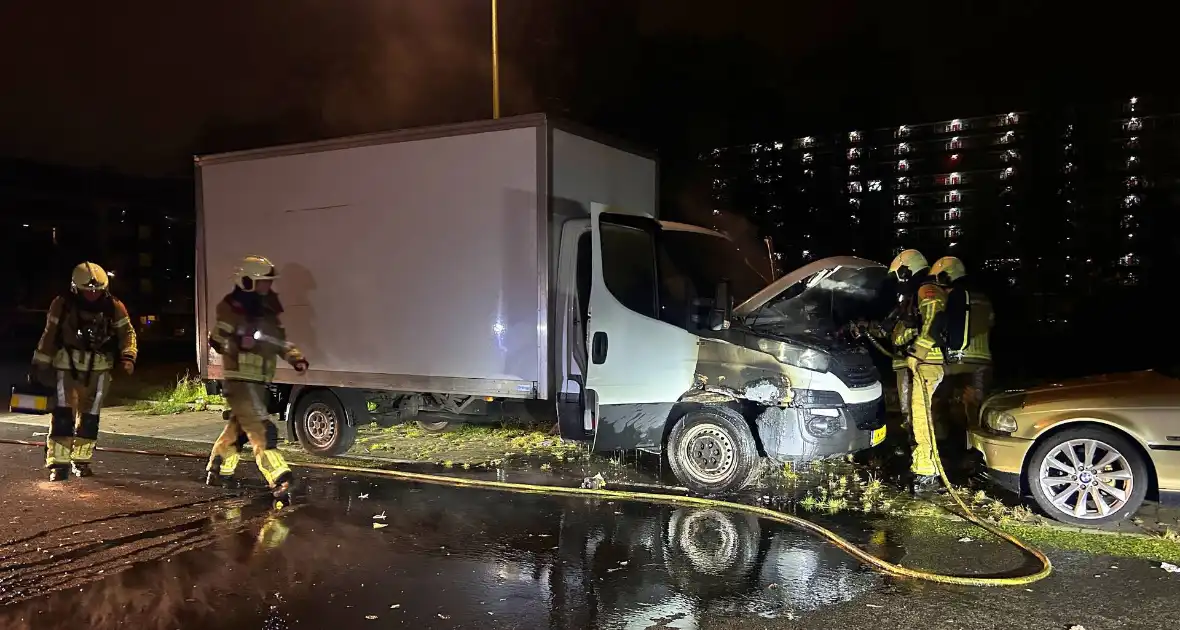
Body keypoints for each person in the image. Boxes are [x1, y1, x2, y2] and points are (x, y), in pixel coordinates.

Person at [205, 255, 308, 508]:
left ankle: (218, 469)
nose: (267, 287)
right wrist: (238, 341)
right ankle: (279, 477)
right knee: (261, 429)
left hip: (258, 381)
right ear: (248, 281)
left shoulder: (267, 311)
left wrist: (295, 357)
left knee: (238, 429)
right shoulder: (232, 308)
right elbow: (216, 339)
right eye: (263, 282)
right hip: (240, 380)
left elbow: (277, 341)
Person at [31, 262, 137, 481]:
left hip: (99, 371)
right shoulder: (62, 305)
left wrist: (128, 357)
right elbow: (50, 335)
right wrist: (39, 363)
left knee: (90, 418)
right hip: (66, 368)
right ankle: (58, 465)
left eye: (96, 291)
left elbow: (127, 333)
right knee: (62, 415)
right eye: (87, 291)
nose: (92, 295)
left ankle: (82, 461)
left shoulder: (114, 307)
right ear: (75, 288)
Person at [888, 249, 947, 494]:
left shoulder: (927, 290)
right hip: (924, 364)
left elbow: (935, 318)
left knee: (922, 419)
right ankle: (925, 465)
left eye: (900, 275)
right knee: (919, 417)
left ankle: (926, 471)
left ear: (906, 270)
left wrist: (917, 353)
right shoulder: (917, 293)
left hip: (928, 363)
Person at [930, 255, 994, 437]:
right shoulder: (983, 298)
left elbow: (938, 326)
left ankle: (941, 448)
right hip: (982, 361)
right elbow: (990, 323)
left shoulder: (948, 298)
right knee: (975, 409)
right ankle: (977, 451)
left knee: (939, 404)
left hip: (953, 360)